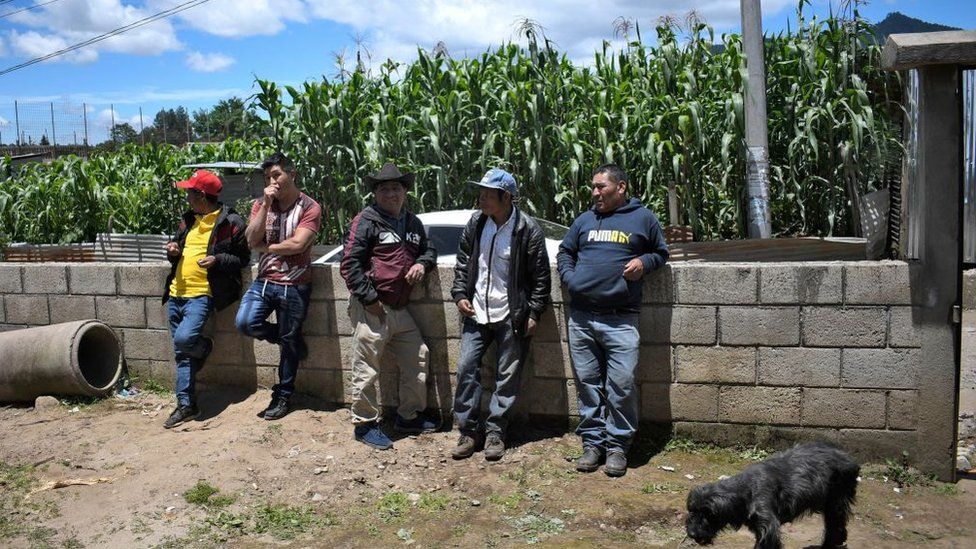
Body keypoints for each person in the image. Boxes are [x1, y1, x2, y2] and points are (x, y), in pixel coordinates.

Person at [556, 163, 669, 477]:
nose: (595, 193)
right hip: (581, 318)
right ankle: (592, 444)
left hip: (620, 319)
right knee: (588, 386)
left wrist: (643, 262)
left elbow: (662, 252)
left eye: (600, 187)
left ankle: (618, 446)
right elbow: (565, 251)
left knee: (620, 385)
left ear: (621, 187)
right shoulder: (584, 220)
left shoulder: (643, 218)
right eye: (592, 187)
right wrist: (570, 278)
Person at [449, 168, 551, 461]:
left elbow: (540, 277)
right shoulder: (477, 223)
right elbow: (464, 262)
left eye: (487, 193)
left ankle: (496, 431)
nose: (480, 198)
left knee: (508, 375)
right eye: (480, 192)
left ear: (505, 197)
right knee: (467, 368)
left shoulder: (526, 229)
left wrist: (533, 312)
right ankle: (469, 431)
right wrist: (460, 294)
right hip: (477, 311)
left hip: (511, 315)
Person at [340, 162, 437, 450]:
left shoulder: (412, 222)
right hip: (373, 306)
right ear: (376, 193)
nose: (392, 194)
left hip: (399, 307)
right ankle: (365, 424)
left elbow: (429, 249)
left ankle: (408, 416)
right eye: (385, 189)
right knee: (366, 366)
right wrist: (369, 300)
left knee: (417, 355)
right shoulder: (366, 220)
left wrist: (422, 263)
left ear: (405, 191)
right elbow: (349, 264)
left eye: (397, 188)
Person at [235, 152, 322, 420]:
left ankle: (283, 395)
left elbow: (298, 244)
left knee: (289, 344)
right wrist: (265, 204)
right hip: (264, 282)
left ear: (292, 175)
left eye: (277, 175)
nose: (272, 181)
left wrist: (267, 247)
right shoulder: (261, 205)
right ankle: (288, 339)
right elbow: (250, 239)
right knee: (245, 322)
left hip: (295, 285)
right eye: (268, 177)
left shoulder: (310, 207)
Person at [162, 169, 249, 429]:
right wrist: (173, 251)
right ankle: (186, 405)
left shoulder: (230, 222)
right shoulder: (188, 220)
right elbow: (177, 251)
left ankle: (205, 347)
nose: (186, 196)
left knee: (184, 340)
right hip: (176, 292)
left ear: (201, 195)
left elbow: (243, 259)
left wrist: (218, 259)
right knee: (182, 353)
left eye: (189, 192)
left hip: (201, 295)